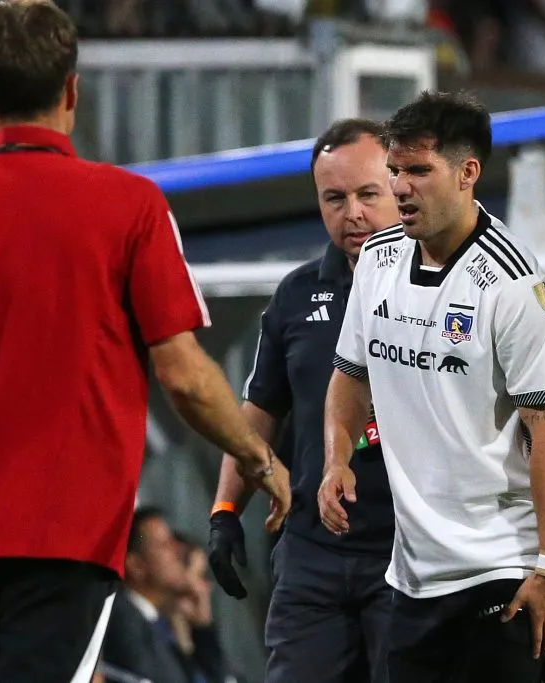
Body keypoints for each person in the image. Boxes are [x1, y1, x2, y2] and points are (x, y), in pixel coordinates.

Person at [0, 2, 290, 682]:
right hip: (66, 537)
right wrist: (256, 455)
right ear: (73, 89)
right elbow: (184, 374)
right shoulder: (130, 207)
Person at [320, 90, 545, 683]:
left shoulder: (512, 285)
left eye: (418, 170)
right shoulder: (377, 262)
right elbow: (348, 376)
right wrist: (338, 459)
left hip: (507, 564)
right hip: (416, 572)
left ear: (468, 173)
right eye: (394, 171)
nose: (400, 187)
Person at [207, 118, 399, 682]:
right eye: (334, 199)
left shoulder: (444, 286)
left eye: (368, 194)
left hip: (409, 551)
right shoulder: (296, 295)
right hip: (313, 551)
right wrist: (224, 513)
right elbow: (260, 410)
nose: (352, 213)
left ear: (398, 186)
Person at [100, 508, 199, 683]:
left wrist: (203, 628)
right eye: (165, 545)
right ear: (136, 565)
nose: (178, 551)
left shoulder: (157, 625)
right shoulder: (122, 620)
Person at [172, 534, 227, 683]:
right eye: (202, 576)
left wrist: (203, 628)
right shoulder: (153, 640)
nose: (207, 587)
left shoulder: (201, 649)